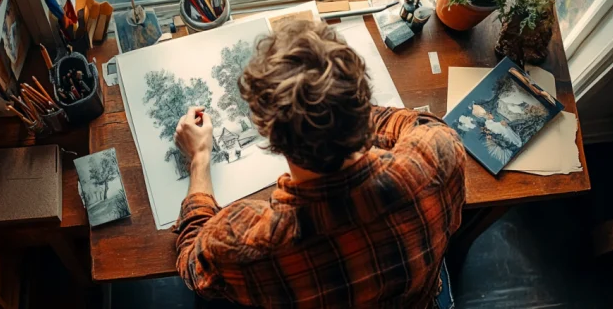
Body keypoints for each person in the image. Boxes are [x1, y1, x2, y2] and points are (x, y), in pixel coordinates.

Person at [172, 20, 466, 308]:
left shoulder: (246, 241)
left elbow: (191, 262)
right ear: (361, 99)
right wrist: (339, 102)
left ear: (268, 132)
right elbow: (418, 122)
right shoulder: (437, 153)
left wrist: (199, 158)